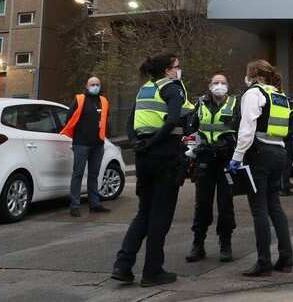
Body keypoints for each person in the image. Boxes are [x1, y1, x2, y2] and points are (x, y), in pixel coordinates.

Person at [112, 53, 195, 288]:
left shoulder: (145, 90)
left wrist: (137, 143)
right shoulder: (173, 88)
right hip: (164, 155)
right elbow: (173, 120)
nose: (179, 70)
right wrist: (154, 142)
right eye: (176, 66)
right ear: (167, 70)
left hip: (144, 157)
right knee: (161, 216)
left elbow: (130, 121)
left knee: (144, 212)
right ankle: (152, 271)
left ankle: (122, 266)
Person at [227, 60, 293, 277]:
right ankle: (286, 259)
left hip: (260, 154)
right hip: (279, 153)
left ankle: (264, 262)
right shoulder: (279, 95)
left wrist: (237, 157)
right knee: (275, 207)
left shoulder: (253, 94)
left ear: (253, 75)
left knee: (259, 209)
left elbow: (247, 129)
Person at [186, 74, 238, 264]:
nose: (219, 85)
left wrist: (231, 146)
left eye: (223, 82)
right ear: (209, 86)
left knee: (225, 205)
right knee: (202, 204)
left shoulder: (235, 105)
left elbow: (242, 130)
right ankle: (198, 244)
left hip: (226, 161)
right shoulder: (200, 104)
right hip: (205, 159)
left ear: (228, 86)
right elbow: (190, 129)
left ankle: (225, 244)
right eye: (216, 82)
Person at [60, 76, 111, 217]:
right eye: (92, 84)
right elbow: (69, 119)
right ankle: (74, 206)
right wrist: (78, 135)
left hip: (98, 144)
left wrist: (106, 135)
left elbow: (106, 120)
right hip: (81, 144)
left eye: (97, 84)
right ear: (87, 86)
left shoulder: (104, 101)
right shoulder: (80, 99)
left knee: (94, 175)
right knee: (78, 174)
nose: (95, 86)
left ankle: (94, 204)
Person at [280, 95, 293, 197]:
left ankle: (286, 183)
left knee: (286, 165)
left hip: (286, 140)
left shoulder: (286, 111)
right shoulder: (292, 112)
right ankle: (284, 188)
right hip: (288, 141)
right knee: (287, 165)